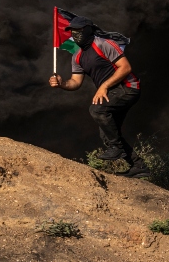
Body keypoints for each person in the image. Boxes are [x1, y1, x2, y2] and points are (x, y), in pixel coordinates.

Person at [48, 16, 149, 178]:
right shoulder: (78, 56)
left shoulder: (104, 44)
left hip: (128, 87)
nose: (75, 34)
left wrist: (104, 86)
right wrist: (62, 83)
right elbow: (75, 82)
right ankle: (138, 166)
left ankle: (117, 148)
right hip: (112, 92)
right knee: (107, 133)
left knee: (97, 110)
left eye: (79, 30)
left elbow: (125, 67)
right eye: (73, 31)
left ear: (88, 30)